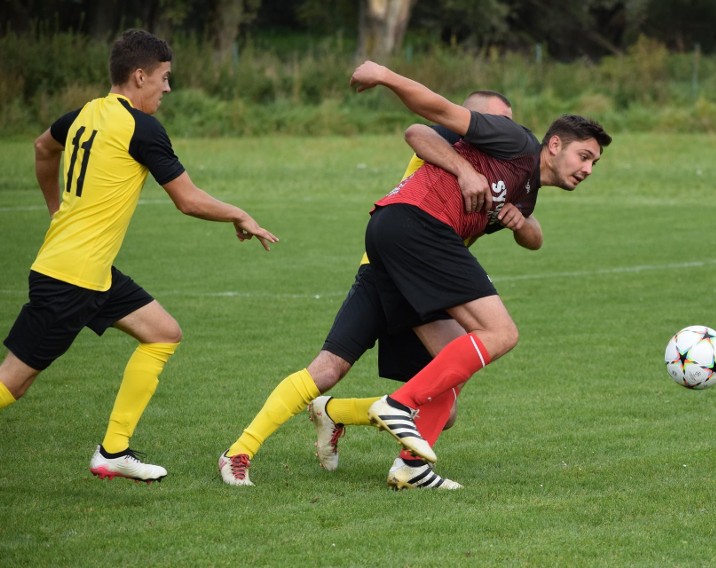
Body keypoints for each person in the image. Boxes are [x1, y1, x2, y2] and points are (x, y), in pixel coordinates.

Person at [218, 91, 541, 489]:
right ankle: (238, 452)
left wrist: (521, 222)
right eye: (495, 122)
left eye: (508, 123)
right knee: (327, 368)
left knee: (446, 403)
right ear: (470, 118)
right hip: (388, 268)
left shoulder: (499, 168)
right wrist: (463, 170)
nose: (503, 132)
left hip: (428, 278)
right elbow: (417, 130)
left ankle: (336, 414)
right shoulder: (451, 140)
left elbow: (534, 232)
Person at [0, 29, 278, 484]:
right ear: (140, 75)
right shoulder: (141, 127)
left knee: (163, 333)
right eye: (165, 78)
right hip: (71, 280)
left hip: (90, 273)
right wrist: (239, 214)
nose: (168, 88)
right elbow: (187, 199)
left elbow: (41, 147)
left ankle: (114, 450)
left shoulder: (86, 113)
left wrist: (56, 210)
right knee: (14, 381)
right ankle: (112, 450)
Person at [347, 60, 612, 469]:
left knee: (459, 357)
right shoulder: (515, 139)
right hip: (416, 223)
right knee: (501, 332)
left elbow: (535, 239)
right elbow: (436, 111)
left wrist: (521, 221)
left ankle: (411, 468)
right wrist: (385, 75)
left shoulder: (526, 193)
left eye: (594, 163)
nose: (588, 169)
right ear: (555, 145)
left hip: (396, 231)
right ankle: (399, 404)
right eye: (584, 156)